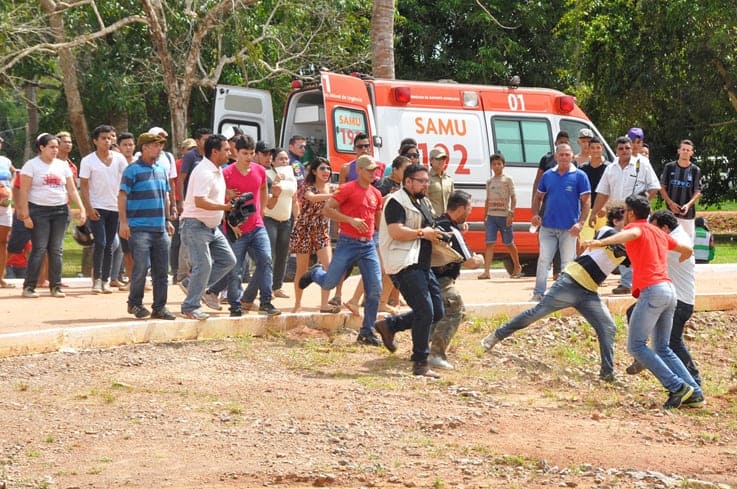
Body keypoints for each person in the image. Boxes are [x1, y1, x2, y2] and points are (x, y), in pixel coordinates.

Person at [482, 203, 629, 381]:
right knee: (536, 313)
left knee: (608, 327)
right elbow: (617, 241)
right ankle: (496, 336)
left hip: (589, 290)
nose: (629, 227)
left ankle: (607, 373)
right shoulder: (607, 231)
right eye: (625, 221)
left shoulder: (627, 244)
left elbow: (635, 259)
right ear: (615, 221)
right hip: (571, 281)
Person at [584, 194, 704, 409]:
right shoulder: (659, 232)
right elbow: (687, 249)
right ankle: (694, 392)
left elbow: (630, 234)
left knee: (636, 346)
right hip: (669, 291)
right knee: (662, 347)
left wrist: (600, 242)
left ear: (631, 213)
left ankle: (678, 387)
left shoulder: (638, 228)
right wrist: (686, 255)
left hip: (653, 291)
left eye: (626, 211)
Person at [298, 155, 383, 345]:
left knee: (375, 288)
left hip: (368, 244)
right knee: (329, 283)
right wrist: (350, 220)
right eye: (369, 170)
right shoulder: (347, 189)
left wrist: (383, 239)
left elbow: (377, 220)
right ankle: (315, 273)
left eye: (374, 170)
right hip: (348, 242)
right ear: (359, 170)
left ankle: (367, 331)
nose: (373, 173)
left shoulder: (375, 193)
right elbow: (327, 210)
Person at [373, 163, 447, 378]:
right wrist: (423, 233)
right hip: (403, 262)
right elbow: (396, 231)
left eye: (427, 180)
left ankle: (390, 325)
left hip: (422, 263)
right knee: (425, 311)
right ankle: (420, 363)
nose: (425, 184)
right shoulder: (396, 201)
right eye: (421, 181)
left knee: (437, 311)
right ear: (408, 181)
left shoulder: (423, 201)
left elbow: (430, 226)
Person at [626, 210, 702, 386]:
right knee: (634, 313)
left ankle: (693, 381)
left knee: (671, 345)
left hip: (679, 302)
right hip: (676, 299)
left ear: (665, 228)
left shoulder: (673, 242)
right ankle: (642, 355)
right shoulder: (676, 236)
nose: (651, 233)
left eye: (654, 229)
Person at [208, 135, 280, 317]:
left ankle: (266, 302)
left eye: (251, 153)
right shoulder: (226, 174)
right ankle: (235, 305)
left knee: (266, 259)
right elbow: (217, 200)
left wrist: (261, 210)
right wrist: (230, 222)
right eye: (245, 153)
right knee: (236, 269)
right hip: (235, 228)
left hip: (257, 226)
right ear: (235, 152)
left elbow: (263, 189)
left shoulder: (260, 171)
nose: (249, 157)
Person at [16, 133, 86, 298]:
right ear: (42, 147)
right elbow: (24, 191)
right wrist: (25, 214)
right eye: (52, 147)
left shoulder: (62, 166)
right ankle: (29, 286)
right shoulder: (31, 165)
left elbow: (72, 189)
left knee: (57, 249)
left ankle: (56, 286)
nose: (56, 150)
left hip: (60, 211)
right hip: (38, 211)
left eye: (57, 147)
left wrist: (82, 208)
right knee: (39, 248)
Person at [588, 135, 660, 295]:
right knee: (620, 248)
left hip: (637, 214)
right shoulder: (611, 168)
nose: (625, 151)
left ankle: (640, 282)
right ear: (616, 150)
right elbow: (602, 193)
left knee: (639, 249)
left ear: (631, 148)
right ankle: (627, 282)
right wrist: (593, 213)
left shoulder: (643, 164)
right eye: (621, 148)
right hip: (618, 214)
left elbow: (654, 187)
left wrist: (641, 202)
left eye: (627, 148)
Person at [179, 135, 237, 320]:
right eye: (226, 150)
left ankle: (191, 284)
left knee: (228, 260)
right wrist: (225, 207)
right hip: (195, 225)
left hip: (211, 227)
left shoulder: (216, 170)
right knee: (203, 265)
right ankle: (190, 306)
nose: (230, 152)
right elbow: (200, 201)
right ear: (215, 151)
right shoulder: (204, 171)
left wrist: (227, 198)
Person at [118, 132, 175, 320]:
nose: (159, 149)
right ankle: (134, 303)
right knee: (141, 268)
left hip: (159, 228)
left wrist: (167, 220)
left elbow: (165, 196)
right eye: (155, 145)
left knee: (161, 271)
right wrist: (124, 223)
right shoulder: (132, 170)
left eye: (160, 146)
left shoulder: (161, 170)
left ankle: (160, 307)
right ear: (144, 148)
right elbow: (122, 196)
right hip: (139, 228)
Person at [428, 191, 484, 370]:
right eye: (469, 208)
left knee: (436, 313)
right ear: (460, 209)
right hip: (440, 279)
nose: (470, 212)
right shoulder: (452, 230)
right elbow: (471, 263)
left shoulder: (436, 222)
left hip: (425, 276)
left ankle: (420, 349)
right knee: (455, 309)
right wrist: (481, 258)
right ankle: (436, 355)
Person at [530, 143, 591, 301]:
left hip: (569, 229)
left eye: (567, 154)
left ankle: (563, 295)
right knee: (544, 260)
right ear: (556, 156)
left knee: (567, 263)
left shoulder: (580, 176)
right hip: (547, 227)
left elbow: (586, 201)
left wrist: (581, 223)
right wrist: (535, 214)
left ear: (572, 156)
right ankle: (538, 293)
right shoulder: (548, 175)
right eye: (561, 154)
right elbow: (538, 197)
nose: (564, 157)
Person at [79, 124, 128, 294]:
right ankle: (97, 279)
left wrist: (124, 206)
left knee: (109, 245)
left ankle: (106, 279)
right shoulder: (88, 161)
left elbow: (125, 182)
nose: (107, 141)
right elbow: (83, 186)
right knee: (100, 242)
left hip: (114, 207)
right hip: (97, 207)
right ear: (95, 141)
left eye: (110, 138)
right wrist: (88, 208)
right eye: (103, 138)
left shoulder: (119, 159)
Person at [290, 157, 336, 313]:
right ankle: (297, 304)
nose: (326, 172)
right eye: (322, 168)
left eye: (328, 169)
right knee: (301, 269)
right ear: (315, 171)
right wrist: (333, 196)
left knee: (330, 267)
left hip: (321, 230)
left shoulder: (332, 188)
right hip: (304, 229)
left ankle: (324, 305)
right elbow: (311, 197)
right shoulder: (306, 186)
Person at [478, 153, 521, 280]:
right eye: (494, 164)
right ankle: (486, 271)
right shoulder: (489, 181)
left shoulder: (508, 180)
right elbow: (487, 199)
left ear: (503, 165)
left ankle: (517, 266)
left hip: (504, 215)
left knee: (509, 243)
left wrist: (511, 214)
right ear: (491, 166)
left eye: (499, 164)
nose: (496, 166)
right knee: (489, 243)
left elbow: (513, 198)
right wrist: (485, 216)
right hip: (491, 216)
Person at [533, 130, 569, 279]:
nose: (563, 144)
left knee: (561, 236)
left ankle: (557, 271)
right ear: (555, 143)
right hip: (547, 204)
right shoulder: (546, 159)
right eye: (560, 141)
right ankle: (544, 267)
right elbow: (538, 181)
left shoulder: (571, 162)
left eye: (565, 142)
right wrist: (534, 203)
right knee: (545, 235)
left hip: (564, 206)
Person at [263, 148, 297, 300]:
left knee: (283, 254)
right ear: (273, 161)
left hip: (286, 219)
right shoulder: (267, 175)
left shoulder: (291, 177)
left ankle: (277, 286)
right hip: (270, 218)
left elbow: (294, 199)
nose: (284, 162)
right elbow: (267, 197)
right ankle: (266, 287)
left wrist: (297, 219)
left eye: (286, 159)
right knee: (269, 254)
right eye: (281, 159)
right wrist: (277, 180)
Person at [660, 139, 701, 241]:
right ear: (679, 151)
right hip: (670, 213)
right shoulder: (669, 167)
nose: (685, 152)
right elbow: (662, 187)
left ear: (691, 153)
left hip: (688, 215)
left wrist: (688, 205)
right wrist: (670, 203)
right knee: (668, 242)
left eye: (688, 150)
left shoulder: (695, 170)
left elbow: (697, 191)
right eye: (683, 149)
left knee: (687, 243)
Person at [178, 128, 212, 203]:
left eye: (209, 140)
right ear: (197, 141)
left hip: (207, 200)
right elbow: (181, 179)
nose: (208, 143)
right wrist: (181, 201)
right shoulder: (190, 155)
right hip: (191, 200)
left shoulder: (212, 156)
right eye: (205, 140)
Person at [0, 136, 16, 288]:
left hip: (5, 204)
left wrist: (9, 189)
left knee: (3, 242)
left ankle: (0, 277)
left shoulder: (5, 160)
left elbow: (14, 173)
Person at [427, 148, 454, 217]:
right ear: (431, 160)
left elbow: (453, 201)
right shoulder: (425, 179)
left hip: (447, 220)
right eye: (438, 159)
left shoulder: (449, 179)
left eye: (443, 159)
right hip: (432, 220)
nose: (442, 161)